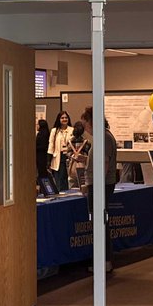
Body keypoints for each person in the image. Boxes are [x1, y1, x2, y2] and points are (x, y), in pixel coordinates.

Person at [80, 106, 118, 273]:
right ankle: (104, 260)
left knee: (100, 223)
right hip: (98, 184)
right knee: (100, 222)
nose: (85, 129)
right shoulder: (102, 137)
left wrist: (96, 186)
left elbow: (104, 164)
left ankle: (104, 261)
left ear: (92, 122)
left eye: (86, 125)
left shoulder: (104, 138)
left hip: (101, 186)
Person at [48, 111, 74, 192]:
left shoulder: (72, 130)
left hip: (69, 156)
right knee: (59, 180)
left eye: (66, 117)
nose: (64, 119)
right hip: (58, 157)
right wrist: (48, 160)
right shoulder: (54, 131)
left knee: (67, 179)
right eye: (62, 118)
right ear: (59, 119)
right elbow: (51, 145)